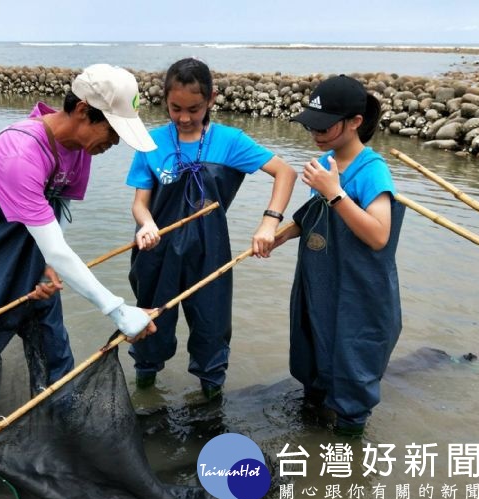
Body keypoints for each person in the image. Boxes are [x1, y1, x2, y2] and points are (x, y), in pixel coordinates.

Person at [0, 64, 158, 400]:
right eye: (113, 131)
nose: (115, 142)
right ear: (83, 111)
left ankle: (59, 425)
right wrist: (118, 311)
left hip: (35, 262)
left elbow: (52, 218)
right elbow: (58, 248)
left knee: (55, 358)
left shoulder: (78, 150)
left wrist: (49, 267)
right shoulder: (19, 154)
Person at [125, 58, 297, 400]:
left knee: (212, 332)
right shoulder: (150, 142)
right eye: (175, 108)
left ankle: (210, 400)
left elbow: (285, 173)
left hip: (210, 254)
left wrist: (269, 222)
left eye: (194, 108)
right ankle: (145, 396)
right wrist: (145, 225)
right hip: (156, 253)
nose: (185, 117)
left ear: (212, 99)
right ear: (164, 100)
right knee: (148, 331)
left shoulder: (230, 141)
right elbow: (140, 203)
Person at [278, 74, 405, 436]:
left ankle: (348, 458)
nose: (316, 133)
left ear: (355, 123)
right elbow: (315, 217)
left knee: (351, 375)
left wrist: (334, 192)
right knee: (313, 359)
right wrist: (279, 236)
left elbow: (379, 235)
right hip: (320, 286)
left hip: (357, 296)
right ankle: (312, 449)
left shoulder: (373, 170)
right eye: (312, 125)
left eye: (326, 126)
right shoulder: (328, 161)